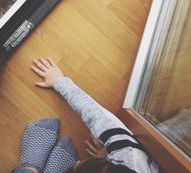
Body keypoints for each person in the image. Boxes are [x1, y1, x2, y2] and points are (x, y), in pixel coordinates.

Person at [12, 57, 159, 173]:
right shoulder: (128, 154)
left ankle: (29, 167)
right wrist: (59, 82)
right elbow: (97, 116)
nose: (77, 162)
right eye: (79, 164)